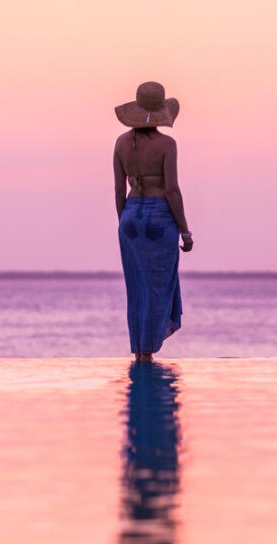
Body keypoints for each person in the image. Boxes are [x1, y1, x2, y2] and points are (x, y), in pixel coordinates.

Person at [113, 82, 193, 362]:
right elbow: (171, 190)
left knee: (137, 289)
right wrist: (185, 231)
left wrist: (125, 224)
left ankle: (140, 353)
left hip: (130, 218)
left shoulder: (121, 143)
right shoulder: (167, 145)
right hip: (160, 218)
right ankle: (147, 355)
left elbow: (118, 190)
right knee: (158, 287)